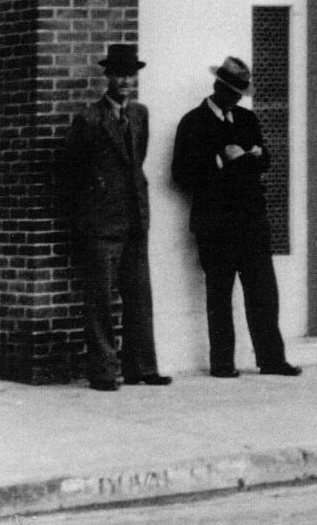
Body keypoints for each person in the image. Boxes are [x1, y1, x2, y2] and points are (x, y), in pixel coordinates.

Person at [171, 56, 301, 379]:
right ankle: (222, 363)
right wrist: (219, 161)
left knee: (263, 293)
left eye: (239, 93)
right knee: (219, 293)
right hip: (215, 224)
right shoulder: (193, 123)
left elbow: (265, 159)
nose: (236, 99)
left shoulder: (247, 118)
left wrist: (253, 157)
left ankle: (271, 359)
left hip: (251, 222)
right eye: (231, 92)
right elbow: (181, 174)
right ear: (217, 87)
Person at [64, 43, 172, 391]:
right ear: (107, 76)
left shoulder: (140, 115)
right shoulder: (90, 119)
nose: (125, 81)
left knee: (139, 295)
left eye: (130, 74)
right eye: (119, 74)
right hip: (101, 223)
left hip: (135, 219)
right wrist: (89, 212)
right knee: (100, 300)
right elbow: (72, 174)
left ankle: (141, 366)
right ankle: (103, 371)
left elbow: (135, 161)